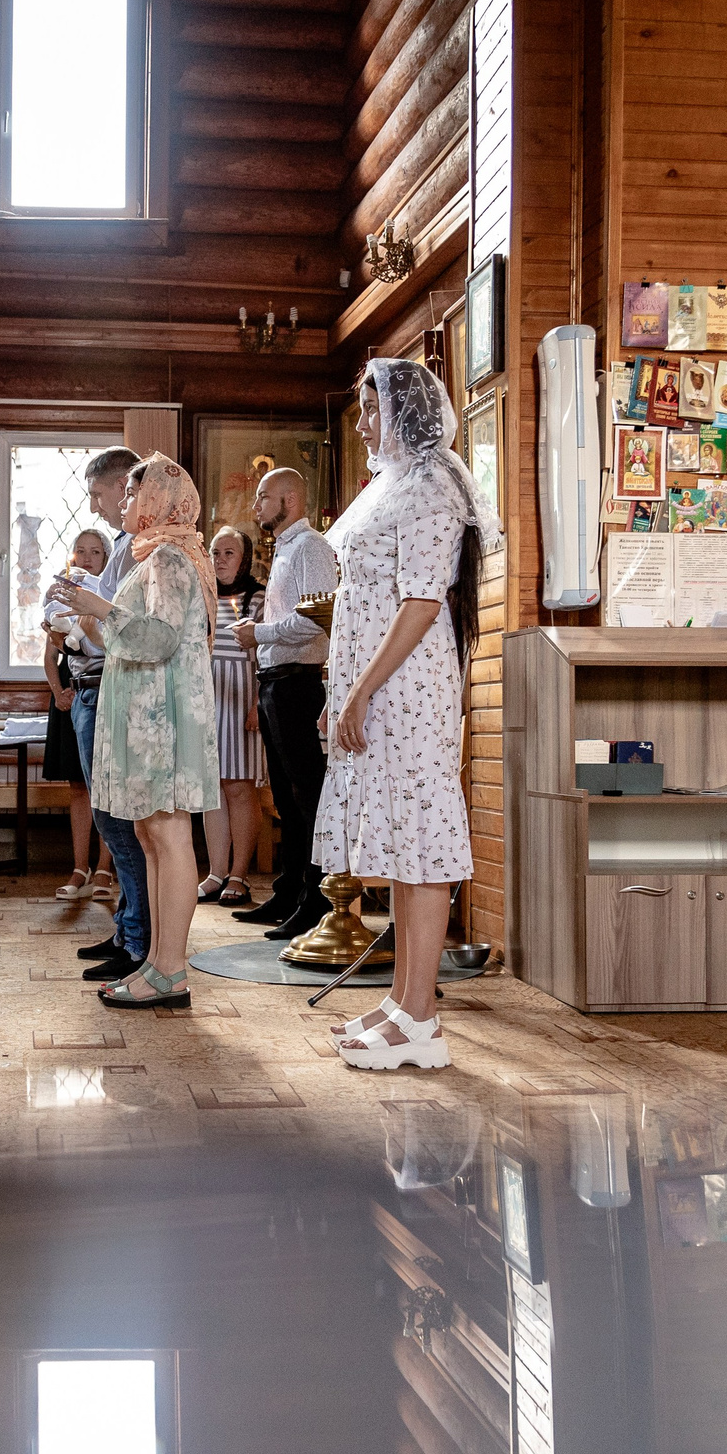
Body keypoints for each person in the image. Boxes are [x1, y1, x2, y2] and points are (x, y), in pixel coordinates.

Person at [315, 360, 498, 1070]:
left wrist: (360, 690)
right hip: (377, 686)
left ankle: (422, 1018)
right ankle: (400, 1002)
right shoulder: (393, 485)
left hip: (409, 689)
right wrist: (342, 691)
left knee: (420, 845)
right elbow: (363, 602)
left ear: (403, 411)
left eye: (369, 410)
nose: (361, 425)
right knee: (396, 843)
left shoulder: (432, 486)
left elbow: (422, 603)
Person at [52, 455, 219, 1010]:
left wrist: (98, 606)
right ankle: (154, 960)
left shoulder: (170, 557)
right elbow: (136, 637)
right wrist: (87, 614)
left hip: (164, 722)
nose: (122, 503)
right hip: (148, 718)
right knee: (150, 837)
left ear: (156, 500)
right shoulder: (151, 556)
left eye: (130, 493)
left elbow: (161, 640)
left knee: (168, 837)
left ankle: (172, 971)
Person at [54, 446, 152, 984]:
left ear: (122, 487)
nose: (95, 507)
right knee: (110, 819)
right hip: (93, 686)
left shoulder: (139, 548)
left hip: (113, 688)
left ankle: (138, 938)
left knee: (120, 821)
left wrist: (81, 614)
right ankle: (127, 928)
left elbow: (122, 631)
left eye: (97, 494)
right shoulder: (120, 546)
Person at [232, 465, 339, 939]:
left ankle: (314, 902)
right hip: (276, 679)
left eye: (263, 497)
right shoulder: (285, 551)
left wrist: (260, 633)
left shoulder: (312, 547)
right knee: (284, 795)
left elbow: (317, 619)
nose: (255, 507)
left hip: (299, 682)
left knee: (305, 794)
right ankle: (288, 890)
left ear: (290, 500)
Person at [41, 527, 117, 903]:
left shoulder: (109, 596)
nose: (87, 558)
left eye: (96, 552)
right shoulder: (62, 597)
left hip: (108, 692)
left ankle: (105, 867)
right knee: (79, 786)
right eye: (81, 551)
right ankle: (79, 866)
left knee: (107, 785)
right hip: (73, 697)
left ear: (106, 560)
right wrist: (58, 694)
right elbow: (52, 654)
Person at [198, 524, 264, 908]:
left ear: (243, 559)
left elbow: (263, 656)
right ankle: (215, 872)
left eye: (229, 554)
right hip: (206, 699)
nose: (220, 560)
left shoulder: (257, 598)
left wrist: (257, 703)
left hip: (241, 697)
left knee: (239, 788)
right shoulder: (202, 595)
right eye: (215, 552)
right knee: (212, 789)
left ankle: (239, 874)